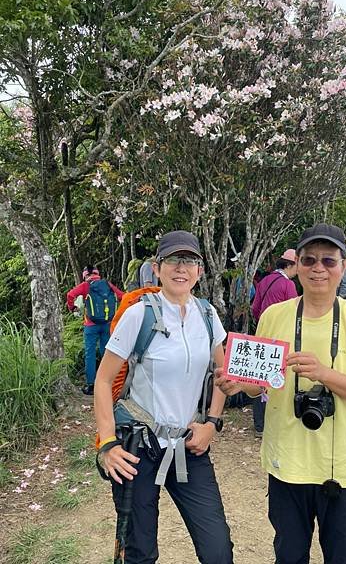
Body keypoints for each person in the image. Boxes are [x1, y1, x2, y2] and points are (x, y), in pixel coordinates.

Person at [216, 223, 346, 564]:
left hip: (344, 469)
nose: (318, 269)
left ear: (344, 265)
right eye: (309, 260)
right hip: (287, 465)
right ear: (298, 266)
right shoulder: (274, 315)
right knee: (289, 556)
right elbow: (261, 383)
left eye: (329, 260)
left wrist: (324, 374)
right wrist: (238, 385)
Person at [94, 230, 233, 564]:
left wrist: (212, 423)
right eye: (172, 260)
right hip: (139, 448)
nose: (180, 268)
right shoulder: (138, 314)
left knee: (218, 551)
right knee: (140, 553)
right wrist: (107, 444)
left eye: (189, 261)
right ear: (157, 268)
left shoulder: (207, 315)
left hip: (188, 445)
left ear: (200, 271)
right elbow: (102, 380)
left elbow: (222, 373)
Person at [250, 248, 298, 437]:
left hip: (263, 334)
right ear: (290, 265)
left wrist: (263, 323)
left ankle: (259, 425)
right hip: (282, 339)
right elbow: (296, 314)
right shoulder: (289, 286)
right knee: (278, 378)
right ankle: (276, 422)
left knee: (259, 377)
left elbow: (255, 307)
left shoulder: (265, 280)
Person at [67, 266, 124, 395]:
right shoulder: (107, 284)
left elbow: (70, 295)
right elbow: (122, 296)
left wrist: (72, 307)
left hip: (91, 325)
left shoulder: (85, 286)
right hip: (107, 324)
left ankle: (91, 385)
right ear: (98, 274)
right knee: (107, 353)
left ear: (85, 275)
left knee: (90, 354)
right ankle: (108, 383)